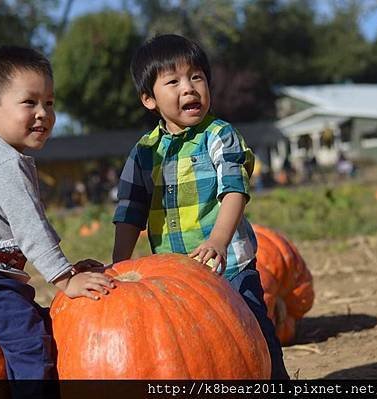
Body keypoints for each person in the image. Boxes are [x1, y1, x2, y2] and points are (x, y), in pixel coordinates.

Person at [0, 46, 114, 381]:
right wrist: (65, 280)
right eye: (30, 102)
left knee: (43, 324)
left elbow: (30, 225)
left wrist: (67, 268)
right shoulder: (2, 165)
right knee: (31, 344)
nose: (43, 112)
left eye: (49, 103)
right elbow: (31, 229)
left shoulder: (7, 159)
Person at [112, 34, 289, 379]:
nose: (189, 88)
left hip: (229, 266)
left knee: (253, 334)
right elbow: (130, 211)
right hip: (175, 277)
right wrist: (119, 265)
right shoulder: (144, 152)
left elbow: (234, 188)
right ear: (149, 99)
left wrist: (218, 240)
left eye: (196, 77)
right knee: (193, 347)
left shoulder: (220, 135)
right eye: (173, 81)